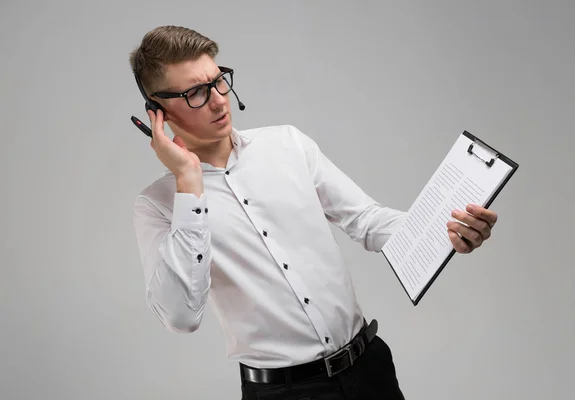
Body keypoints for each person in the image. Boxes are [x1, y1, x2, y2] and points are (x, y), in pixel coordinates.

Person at [129, 25, 499, 400]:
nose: (219, 100)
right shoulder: (158, 206)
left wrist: (445, 230)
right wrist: (189, 182)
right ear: (158, 112)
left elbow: (366, 221)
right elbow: (181, 316)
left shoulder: (288, 144)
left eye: (219, 80)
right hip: (284, 394)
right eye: (195, 92)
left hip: (370, 371)